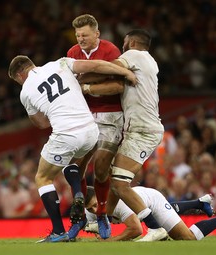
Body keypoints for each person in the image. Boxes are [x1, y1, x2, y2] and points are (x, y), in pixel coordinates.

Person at [8, 55, 136, 242]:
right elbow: (97, 65)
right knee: (71, 160)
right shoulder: (60, 63)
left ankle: (59, 231)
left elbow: (42, 123)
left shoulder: (25, 91)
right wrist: (125, 72)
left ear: (20, 75)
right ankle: (78, 192)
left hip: (66, 134)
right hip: (91, 130)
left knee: (43, 178)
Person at [74, 29, 168, 241]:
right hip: (141, 128)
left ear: (132, 42)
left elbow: (106, 70)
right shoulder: (151, 61)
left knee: (119, 183)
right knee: (113, 178)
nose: (122, 47)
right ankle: (104, 216)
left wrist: (81, 80)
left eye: (124, 43)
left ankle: (154, 227)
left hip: (143, 130)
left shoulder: (133, 56)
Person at [67, 14, 122, 239]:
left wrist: (88, 87)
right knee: (74, 167)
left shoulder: (111, 51)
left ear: (97, 34)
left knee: (100, 169)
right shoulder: (72, 54)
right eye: (78, 35)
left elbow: (118, 85)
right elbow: (71, 84)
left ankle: (101, 213)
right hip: (84, 116)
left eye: (85, 35)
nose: (81, 39)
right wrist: (100, 77)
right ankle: (79, 215)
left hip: (110, 115)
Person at [81, 186, 216, 241]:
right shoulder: (90, 211)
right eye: (90, 209)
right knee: (165, 224)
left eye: (95, 205)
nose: (94, 211)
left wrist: (112, 241)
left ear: (100, 196)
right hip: (144, 201)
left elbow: (136, 229)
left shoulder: (119, 203)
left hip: (154, 201)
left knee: (187, 237)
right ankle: (199, 203)